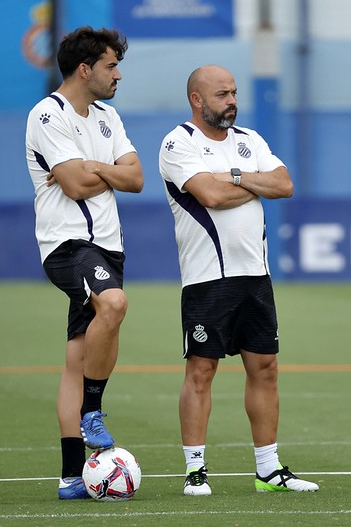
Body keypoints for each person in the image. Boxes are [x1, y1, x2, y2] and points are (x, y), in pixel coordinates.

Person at [158, 65, 319, 495]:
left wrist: (234, 177)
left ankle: (268, 469)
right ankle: (195, 471)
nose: (232, 100)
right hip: (207, 279)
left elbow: (283, 184)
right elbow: (207, 197)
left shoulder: (250, 141)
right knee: (202, 370)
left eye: (234, 92)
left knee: (265, 368)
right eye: (222, 94)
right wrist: (252, 185)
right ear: (197, 99)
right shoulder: (177, 143)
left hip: (256, 276)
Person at [25, 26, 143, 500]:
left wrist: (93, 168)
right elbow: (72, 186)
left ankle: (72, 476)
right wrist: (100, 172)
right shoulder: (47, 115)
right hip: (67, 245)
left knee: (76, 361)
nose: (118, 75)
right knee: (113, 304)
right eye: (112, 66)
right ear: (84, 69)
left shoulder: (108, 117)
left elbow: (135, 179)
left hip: (107, 246)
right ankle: (93, 412)